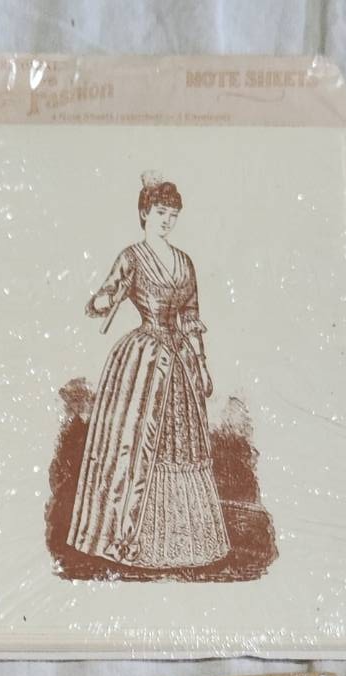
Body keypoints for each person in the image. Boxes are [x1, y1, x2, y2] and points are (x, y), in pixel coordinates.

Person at [66, 175, 230, 570]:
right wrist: (104, 300)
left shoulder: (184, 262)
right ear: (144, 213)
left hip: (179, 359)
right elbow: (103, 299)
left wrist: (202, 364)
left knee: (179, 443)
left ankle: (181, 542)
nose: (167, 220)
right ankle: (127, 538)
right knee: (135, 443)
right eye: (160, 213)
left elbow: (191, 316)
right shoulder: (131, 257)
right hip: (142, 360)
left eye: (173, 214)